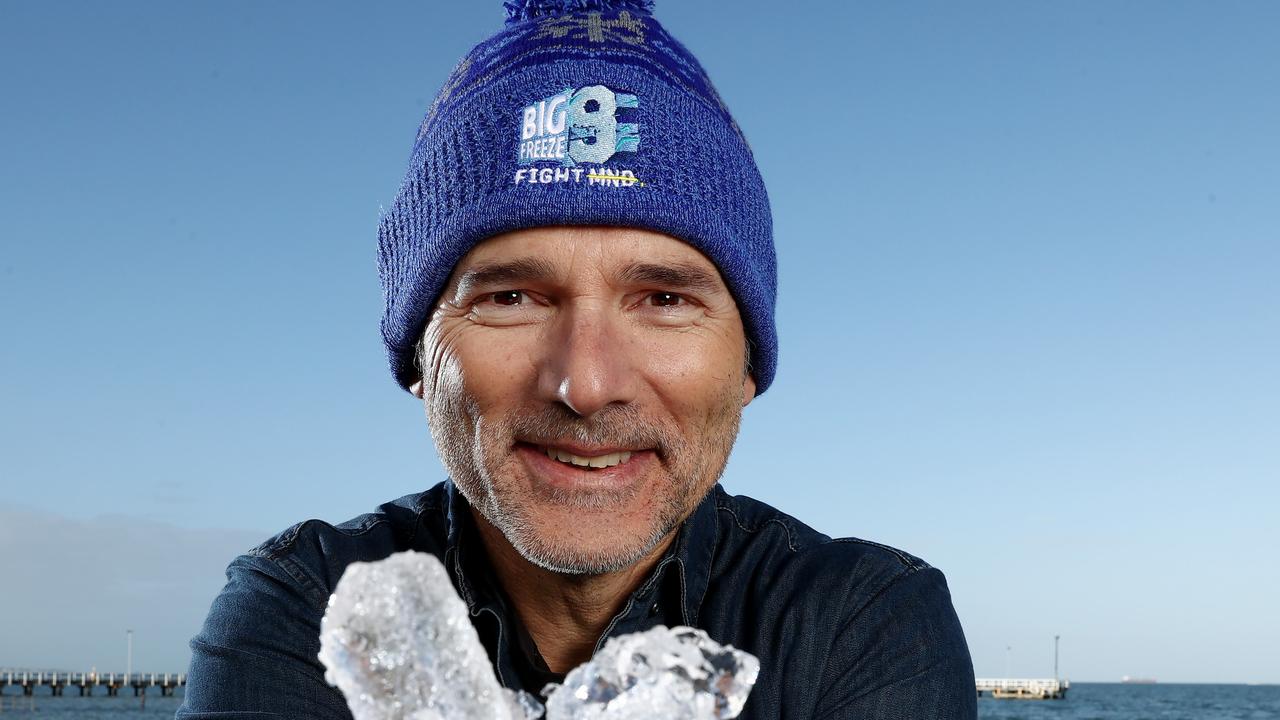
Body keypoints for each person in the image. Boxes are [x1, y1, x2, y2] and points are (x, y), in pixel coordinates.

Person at [178, 1, 976, 717]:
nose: (587, 385)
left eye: (664, 300)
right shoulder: (302, 610)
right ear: (420, 357)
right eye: (511, 298)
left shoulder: (867, 624)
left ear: (747, 369)